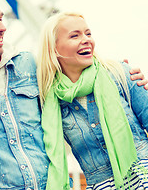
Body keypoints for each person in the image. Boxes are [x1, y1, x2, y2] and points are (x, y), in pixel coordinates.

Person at [0, 0, 148, 189]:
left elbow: (74, 66)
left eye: (1, 18)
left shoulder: (29, 66)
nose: (2, 27)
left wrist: (123, 72)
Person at [37, 11, 148, 189]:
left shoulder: (120, 73)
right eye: (75, 35)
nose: (86, 39)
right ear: (54, 48)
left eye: (88, 33)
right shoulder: (49, 101)